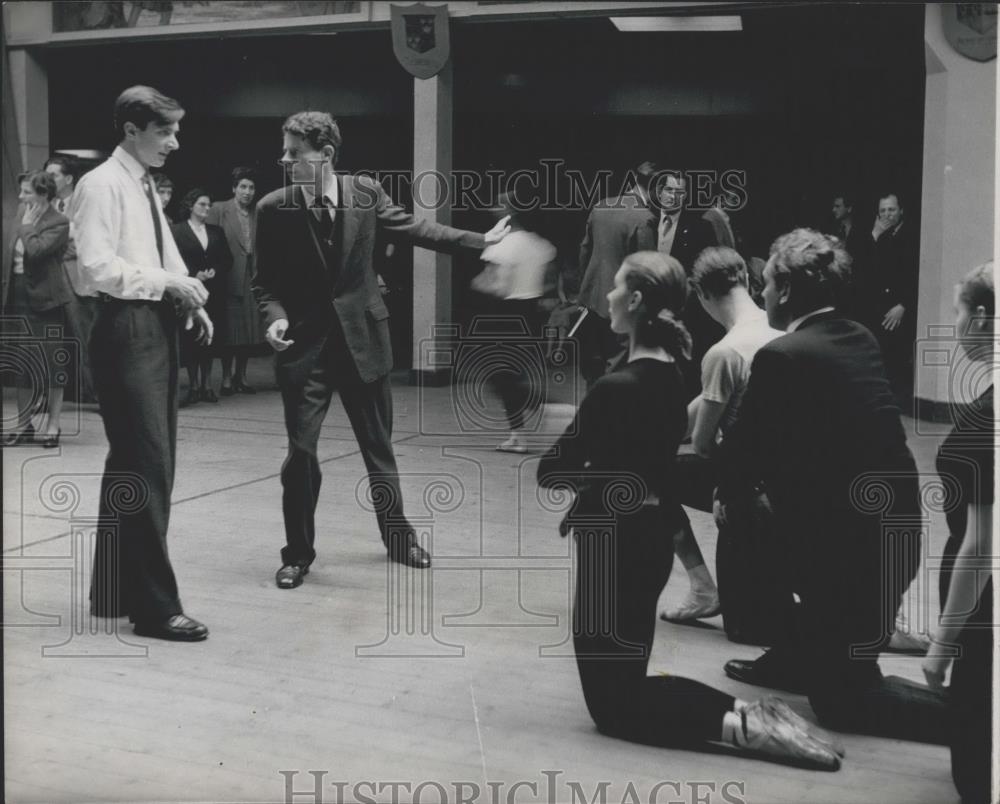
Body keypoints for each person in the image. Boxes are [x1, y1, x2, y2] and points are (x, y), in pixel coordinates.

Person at [537, 251, 844, 770]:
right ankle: (750, 715)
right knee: (627, 681)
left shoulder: (616, 387)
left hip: (612, 545)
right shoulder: (672, 373)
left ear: (635, 301)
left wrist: (598, 475)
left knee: (613, 706)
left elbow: (552, 470)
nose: (607, 297)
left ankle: (744, 726)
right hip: (650, 541)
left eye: (615, 288)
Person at [252, 110, 510, 588]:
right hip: (306, 353)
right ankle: (297, 554)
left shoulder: (366, 193)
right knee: (301, 456)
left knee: (379, 451)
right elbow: (264, 285)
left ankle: (399, 538)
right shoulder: (272, 208)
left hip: (363, 345)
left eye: (294, 153)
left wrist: (479, 241)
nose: (283, 159)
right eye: (285, 151)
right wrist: (276, 319)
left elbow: (417, 230)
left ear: (326, 155)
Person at [717, 228, 948, 742]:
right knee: (751, 505)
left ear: (789, 292)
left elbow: (739, 453)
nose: (763, 294)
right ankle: (802, 651)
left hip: (852, 557)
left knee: (844, 701)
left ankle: (977, 717)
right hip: (896, 534)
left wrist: (731, 495)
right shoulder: (857, 335)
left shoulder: (783, 355)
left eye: (769, 283)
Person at [72, 85, 213, 642]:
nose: (174, 142)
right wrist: (168, 283)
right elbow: (97, 268)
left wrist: (185, 297)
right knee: (149, 468)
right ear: (131, 130)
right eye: (165, 131)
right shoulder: (100, 184)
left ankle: (111, 591)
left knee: (130, 463)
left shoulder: (141, 183)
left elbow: (163, 254)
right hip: (124, 328)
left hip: (152, 325)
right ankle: (155, 608)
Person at [659, 247, 784, 631]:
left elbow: (701, 443)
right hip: (783, 470)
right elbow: (705, 405)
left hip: (746, 478)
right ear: (746, 279)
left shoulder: (723, 352)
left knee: (644, 475)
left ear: (702, 295)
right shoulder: (780, 329)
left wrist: (726, 486)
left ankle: (701, 587)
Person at [922, 262, 994, 804]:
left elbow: (981, 548)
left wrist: (941, 648)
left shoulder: (985, 420)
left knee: (976, 774)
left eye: (958, 313)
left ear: (982, 318)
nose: (956, 324)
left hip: (982, 613)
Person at [471, 201, 557, 453]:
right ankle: (517, 436)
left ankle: (546, 410)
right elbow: (550, 283)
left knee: (500, 377)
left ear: (508, 213)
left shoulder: (502, 246)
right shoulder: (541, 245)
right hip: (531, 315)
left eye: (499, 204)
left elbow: (496, 286)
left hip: (505, 315)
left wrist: (476, 284)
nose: (492, 208)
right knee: (510, 376)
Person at [2, 171, 74, 446]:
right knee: (21, 366)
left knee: (52, 365)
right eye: (21, 192)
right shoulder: (22, 214)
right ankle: (23, 425)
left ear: (44, 194)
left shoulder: (59, 222)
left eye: (27, 192)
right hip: (17, 297)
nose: (21, 197)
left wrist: (27, 226)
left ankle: (53, 426)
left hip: (47, 302)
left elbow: (36, 250)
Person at [575, 161, 661, 389]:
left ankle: (591, 412)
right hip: (623, 304)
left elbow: (584, 250)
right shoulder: (644, 219)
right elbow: (647, 269)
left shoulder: (601, 206)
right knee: (618, 366)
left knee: (594, 365)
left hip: (592, 300)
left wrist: (585, 290)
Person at [45, 154, 100, 403]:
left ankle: (98, 395)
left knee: (86, 340)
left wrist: (52, 247)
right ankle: (52, 394)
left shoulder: (84, 203)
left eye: (53, 175)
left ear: (68, 178)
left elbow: (86, 243)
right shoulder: (43, 205)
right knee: (51, 339)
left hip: (78, 281)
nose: (47, 179)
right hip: (48, 281)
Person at [171, 188, 232, 405]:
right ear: (190, 206)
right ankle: (194, 385)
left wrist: (215, 270)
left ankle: (207, 384)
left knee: (210, 338)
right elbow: (172, 260)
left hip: (213, 292)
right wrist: (192, 273)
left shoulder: (216, 232)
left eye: (208, 205)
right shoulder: (177, 231)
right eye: (202, 204)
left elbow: (227, 259)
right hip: (190, 291)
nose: (207, 208)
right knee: (191, 337)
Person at [206, 167, 263, 395]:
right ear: (234, 189)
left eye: (251, 188)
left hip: (252, 276)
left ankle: (243, 376)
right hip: (228, 276)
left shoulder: (258, 212)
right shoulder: (220, 209)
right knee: (230, 330)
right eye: (243, 187)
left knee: (248, 330)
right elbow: (209, 240)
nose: (247, 192)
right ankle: (227, 377)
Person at [858, 192, 918, 399]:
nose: (887, 215)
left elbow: (917, 273)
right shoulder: (879, 236)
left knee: (898, 359)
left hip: (901, 309)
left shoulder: (913, 235)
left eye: (891, 209)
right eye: (882, 210)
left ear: (901, 210)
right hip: (879, 309)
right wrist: (874, 236)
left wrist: (904, 305)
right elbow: (866, 271)